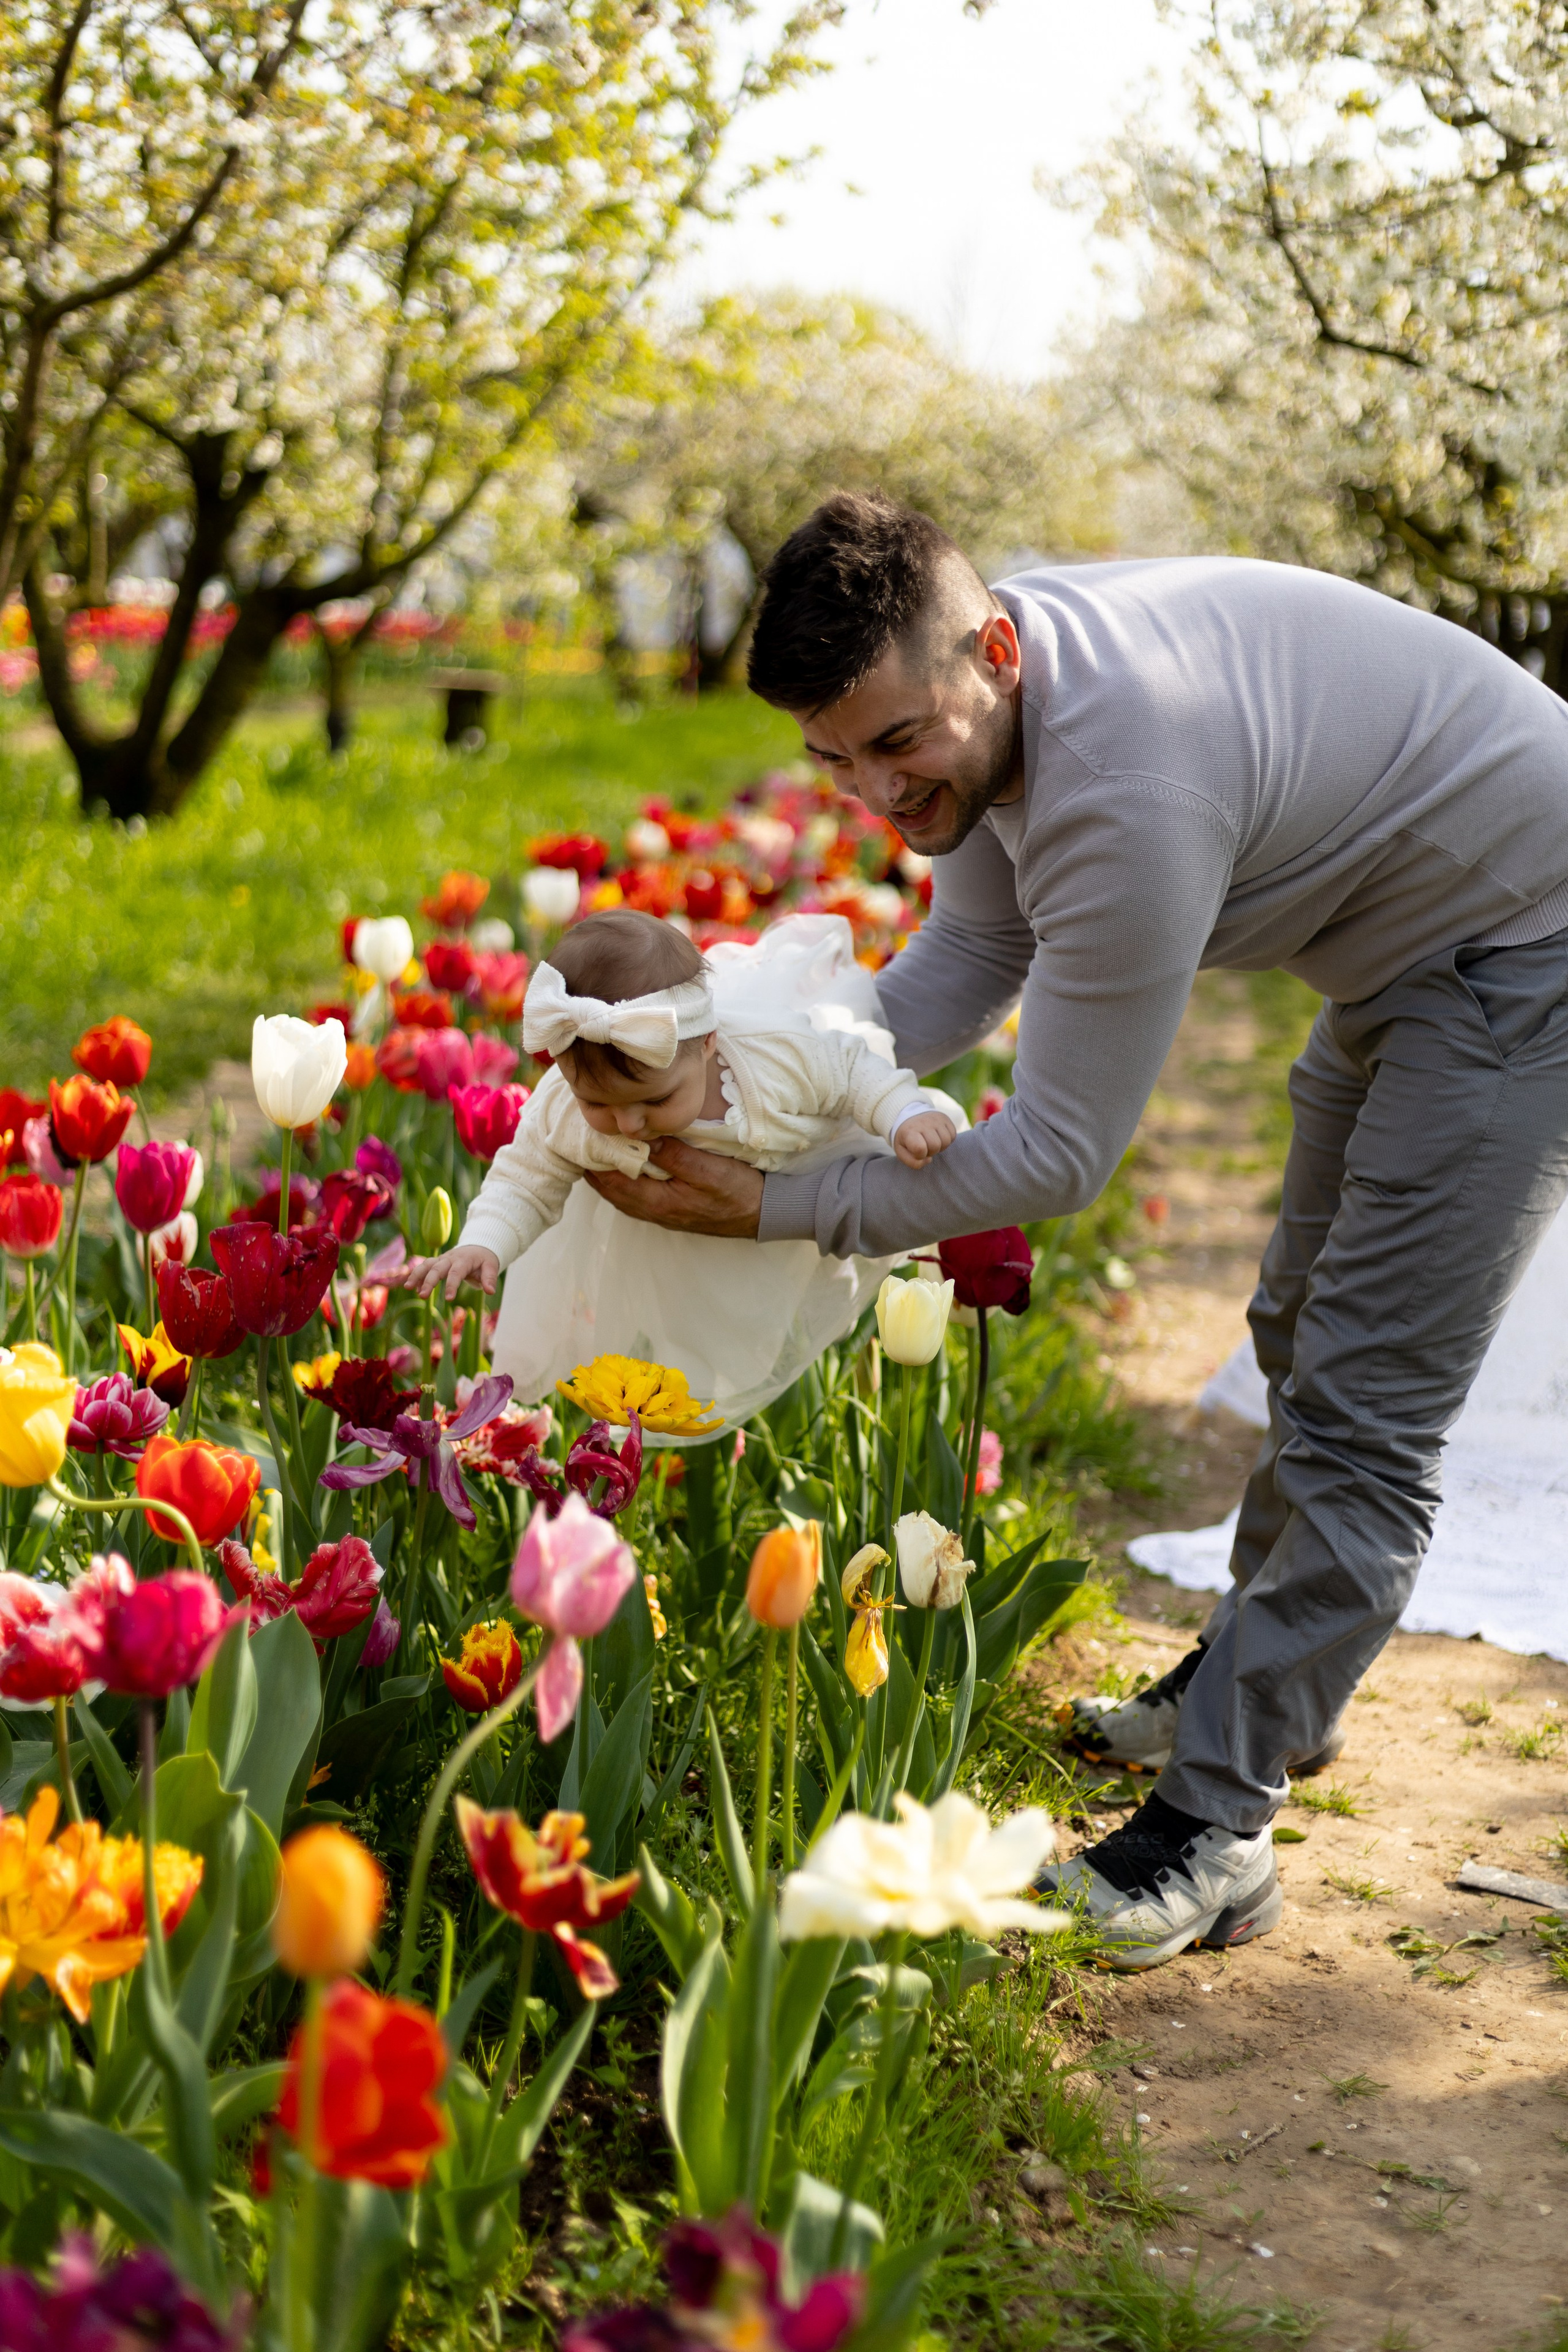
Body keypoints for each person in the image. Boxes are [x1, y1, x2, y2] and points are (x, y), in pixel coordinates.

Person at [587, 488, 1568, 1970]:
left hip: (1525, 951)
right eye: (829, 757)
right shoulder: (991, 708)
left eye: (895, 744)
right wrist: (745, 1087)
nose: (871, 793)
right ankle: (1251, 1679)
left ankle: (1212, 1834)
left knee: (1371, 1407)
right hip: (1410, 941)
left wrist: (779, 1204)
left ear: (988, 650)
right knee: (1299, 1327)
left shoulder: (1126, 778)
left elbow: (1053, 1154)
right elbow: (971, 952)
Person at [404, 906, 962, 1430]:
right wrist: (484, 1243)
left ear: (708, 1045)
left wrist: (902, 1114)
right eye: (598, 1105)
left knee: (792, 1299)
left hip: (808, 1170)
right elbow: (524, 1179)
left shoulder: (772, 1058)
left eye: (654, 1101)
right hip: (661, 1236)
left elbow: (850, 1071)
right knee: (689, 1345)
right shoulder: (561, 1106)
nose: (628, 1125)